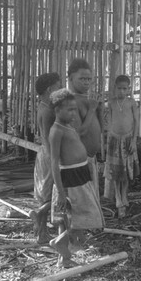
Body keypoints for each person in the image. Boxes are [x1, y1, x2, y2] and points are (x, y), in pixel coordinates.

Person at [48, 89, 104, 268]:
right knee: (85, 215)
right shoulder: (56, 131)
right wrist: (61, 192)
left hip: (80, 175)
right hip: (70, 179)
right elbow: (54, 162)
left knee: (71, 218)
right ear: (57, 110)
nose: (74, 113)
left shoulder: (68, 127)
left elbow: (83, 131)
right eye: (70, 110)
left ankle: (64, 257)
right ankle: (61, 242)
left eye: (74, 109)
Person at [30, 72, 61, 244]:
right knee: (52, 195)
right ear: (50, 89)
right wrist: (55, 159)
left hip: (43, 153)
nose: (61, 89)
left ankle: (41, 233)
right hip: (50, 154)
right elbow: (50, 138)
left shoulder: (42, 106)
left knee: (45, 195)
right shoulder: (48, 111)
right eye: (58, 86)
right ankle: (39, 214)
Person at [103, 75, 140, 218]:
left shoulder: (131, 103)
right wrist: (110, 138)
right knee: (116, 172)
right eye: (119, 88)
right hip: (114, 141)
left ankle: (124, 195)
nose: (122, 91)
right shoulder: (111, 103)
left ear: (129, 89)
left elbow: (136, 121)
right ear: (114, 88)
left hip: (128, 140)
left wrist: (134, 141)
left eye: (125, 89)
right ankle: (118, 201)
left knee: (126, 172)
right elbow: (109, 121)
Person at [67, 58, 103, 198]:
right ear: (70, 78)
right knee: (81, 202)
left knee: (90, 199)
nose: (86, 82)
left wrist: (99, 110)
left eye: (89, 79)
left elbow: (100, 129)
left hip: (90, 159)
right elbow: (78, 132)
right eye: (82, 79)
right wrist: (92, 109)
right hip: (79, 162)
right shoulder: (71, 102)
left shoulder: (86, 100)